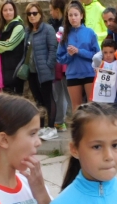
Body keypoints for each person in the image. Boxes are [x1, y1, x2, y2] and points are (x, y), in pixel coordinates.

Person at [24, 3, 59, 141]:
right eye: (29, 14)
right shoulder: (27, 31)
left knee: (48, 98)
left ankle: (52, 127)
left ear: (40, 14)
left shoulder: (47, 29)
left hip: (44, 70)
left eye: (35, 13)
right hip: (32, 71)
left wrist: (48, 65)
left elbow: (53, 49)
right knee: (38, 99)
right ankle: (43, 126)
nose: (32, 16)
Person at [57, 1, 100, 110]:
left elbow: (97, 55)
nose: (73, 18)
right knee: (76, 107)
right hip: (72, 75)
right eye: (70, 15)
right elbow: (60, 58)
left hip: (89, 73)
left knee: (92, 107)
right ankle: (78, 127)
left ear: (81, 15)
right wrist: (69, 55)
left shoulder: (90, 32)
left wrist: (79, 51)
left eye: (76, 15)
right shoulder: (65, 34)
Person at [0, 1, 26, 95]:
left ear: (14, 11)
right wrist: (1, 45)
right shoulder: (1, 28)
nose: (8, 12)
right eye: (5, 10)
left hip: (15, 71)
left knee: (16, 102)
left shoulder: (18, 27)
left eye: (10, 10)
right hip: (3, 71)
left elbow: (10, 46)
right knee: (6, 104)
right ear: (1, 13)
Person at [49, 0, 71, 131]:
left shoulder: (67, 25)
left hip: (66, 63)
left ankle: (74, 121)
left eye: (52, 9)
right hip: (56, 64)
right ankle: (59, 122)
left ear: (58, 10)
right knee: (58, 93)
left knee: (70, 94)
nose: (50, 12)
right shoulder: (51, 24)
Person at [92, 39, 117, 105]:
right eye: (105, 52)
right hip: (99, 97)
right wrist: (101, 52)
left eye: (111, 52)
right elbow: (95, 58)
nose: (108, 55)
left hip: (113, 97)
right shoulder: (99, 63)